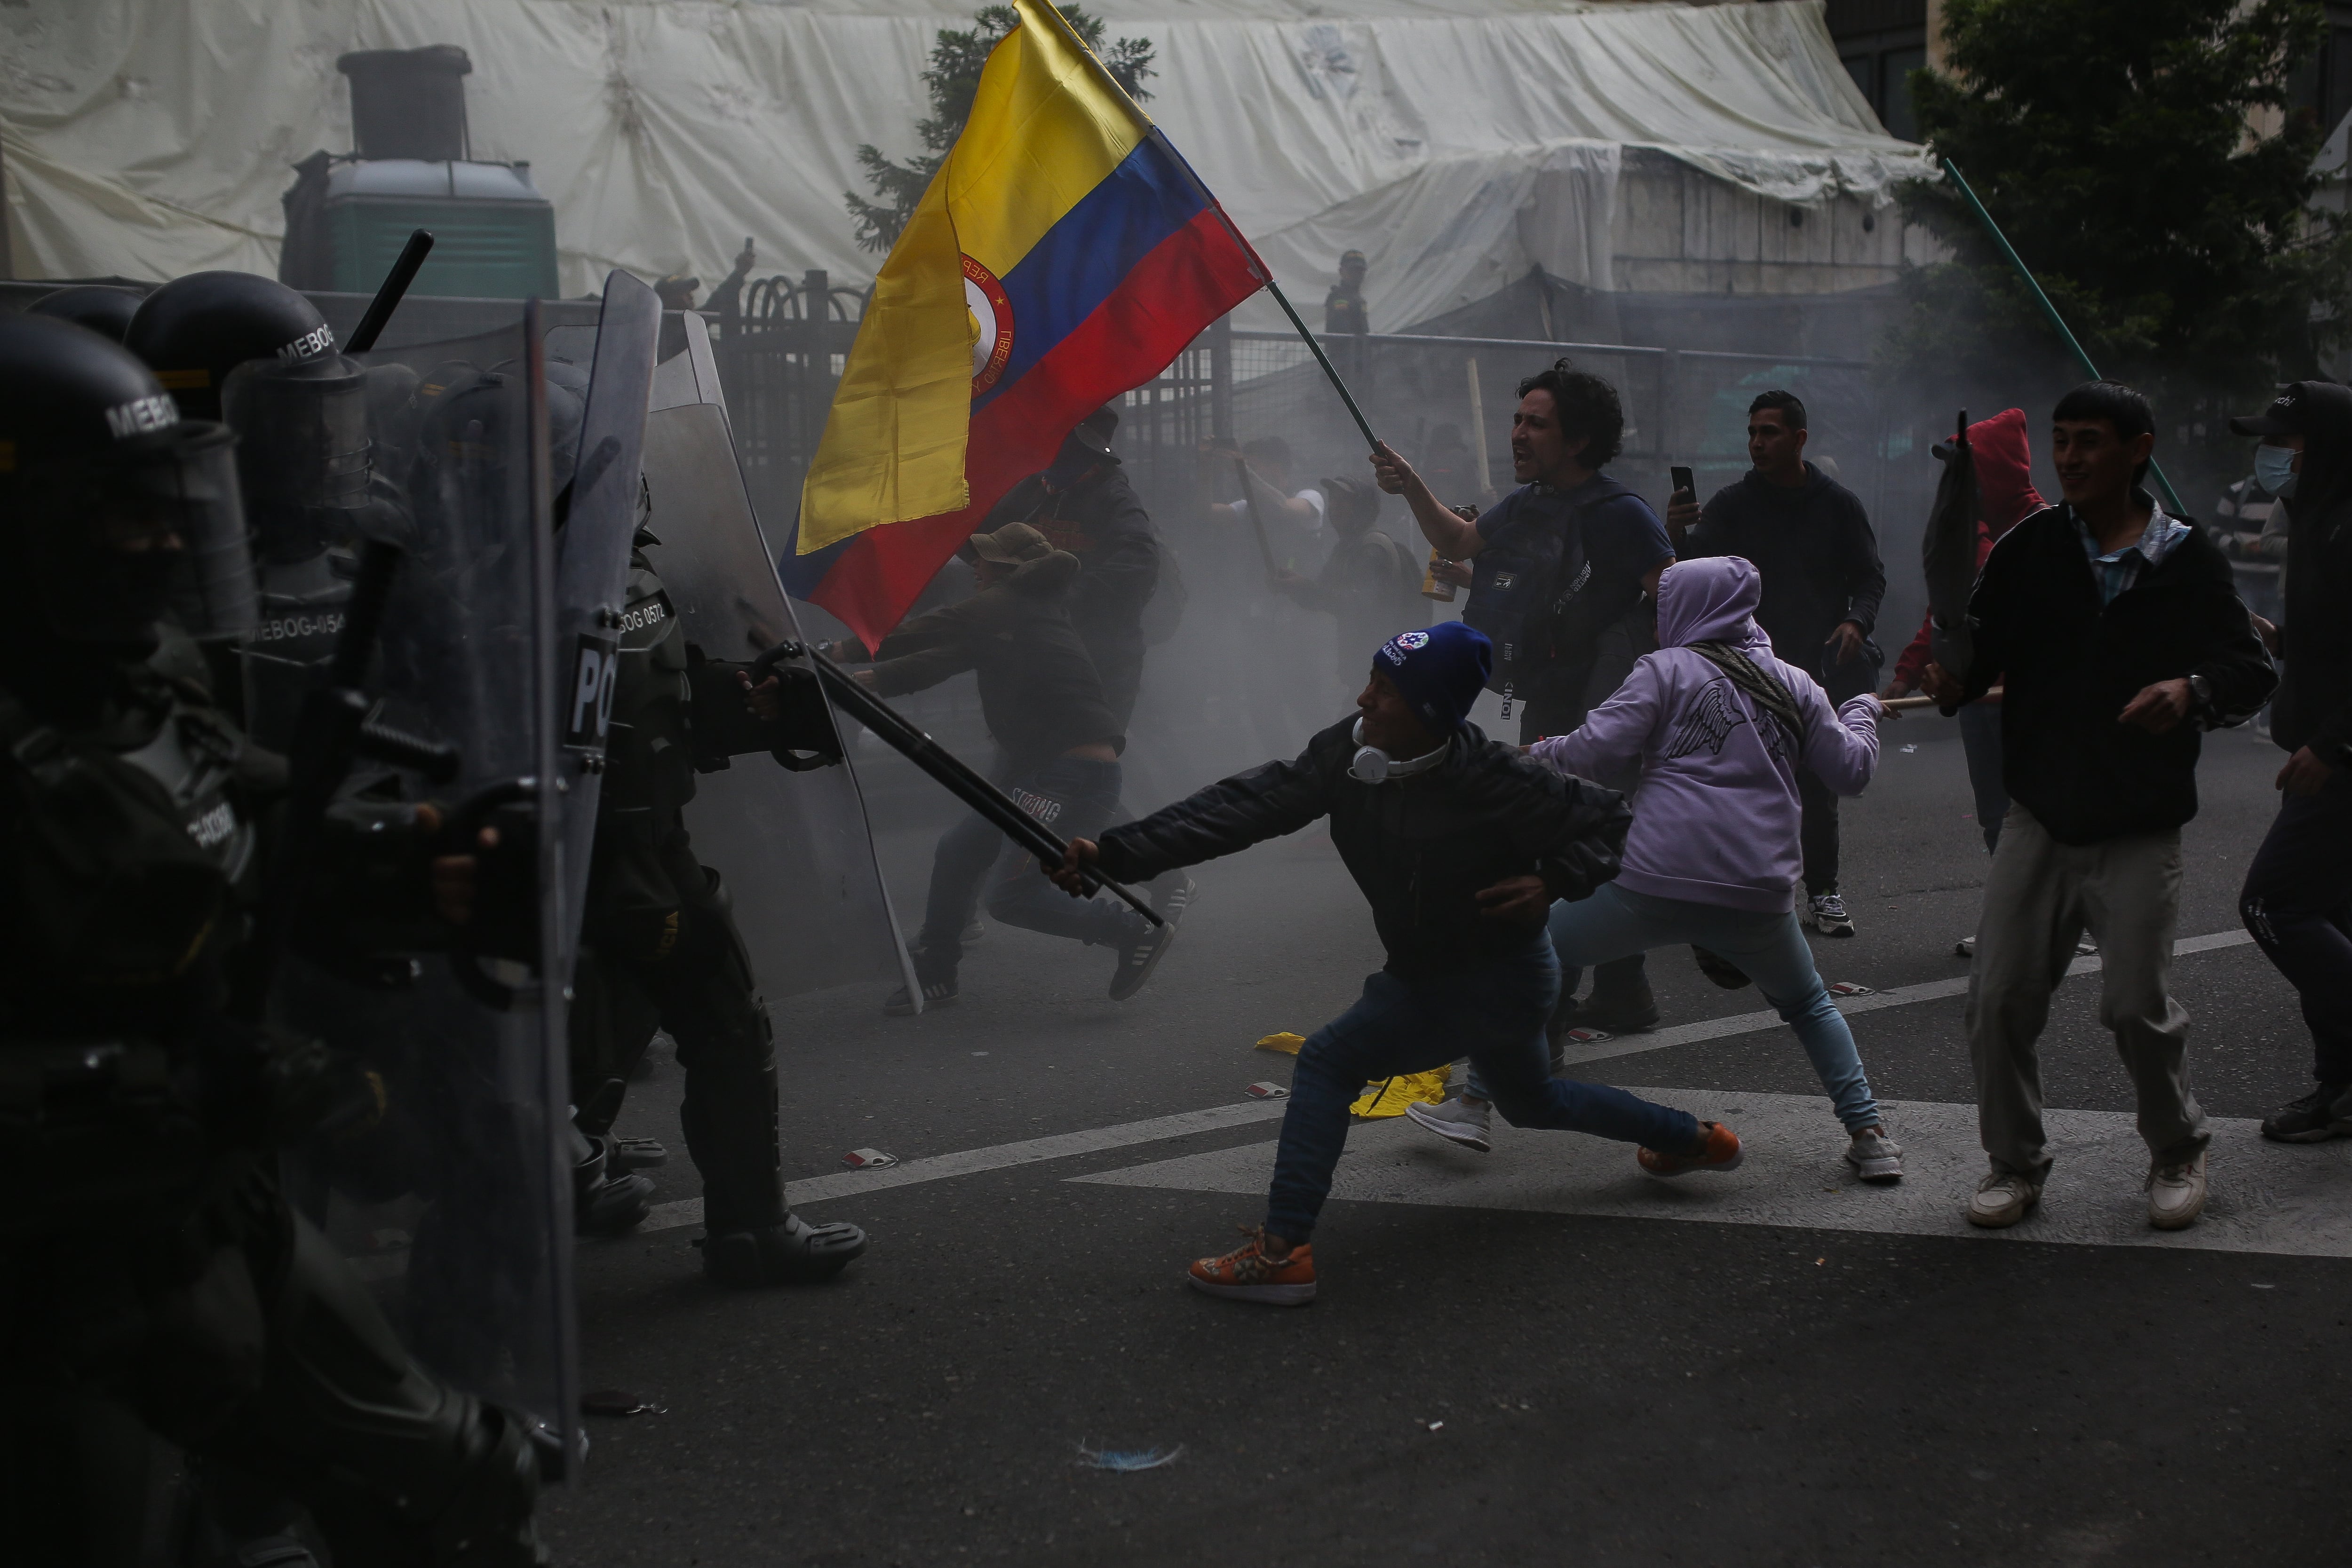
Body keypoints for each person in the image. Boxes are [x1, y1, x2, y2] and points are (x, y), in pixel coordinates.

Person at [0, 313, 547, 1565]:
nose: (166, 539)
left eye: (169, 503)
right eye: (120, 513)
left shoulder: (154, 677)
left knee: (458, 1484)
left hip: (215, 1211)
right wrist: (152, 1091)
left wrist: (419, 861)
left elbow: (259, 825)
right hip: (46, 1284)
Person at [1046, 622, 1741, 1306]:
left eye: (1387, 690)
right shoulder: (1349, 754)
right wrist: (1117, 854)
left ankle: (1282, 1255)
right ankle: (1695, 1139)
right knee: (1535, 1102)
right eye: (1371, 680)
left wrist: (1551, 879)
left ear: (1432, 710)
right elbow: (1247, 805)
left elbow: (1618, 825)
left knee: (1328, 1061)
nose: (1365, 698)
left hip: (1486, 977)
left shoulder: (1499, 778)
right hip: (1469, 973)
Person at [1406, 558, 1901, 1180]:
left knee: (1525, 951)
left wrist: (1534, 754)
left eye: (1665, 608)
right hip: (1758, 889)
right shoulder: (1797, 684)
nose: (1659, 621)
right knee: (1808, 1005)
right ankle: (1870, 1135)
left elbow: (1595, 751)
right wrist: (1863, 710)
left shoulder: (1665, 669)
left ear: (1691, 609)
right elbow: (1852, 770)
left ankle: (1475, 1102)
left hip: (1652, 879)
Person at [1919, 380, 2276, 1231]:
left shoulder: (2184, 557)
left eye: (2089, 441)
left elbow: (2250, 667)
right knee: (1997, 998)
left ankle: (2178, 1146)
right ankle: (2015, 1161)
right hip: (2039, 811)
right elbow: (1980, 651)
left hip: (2139, 818)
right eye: (2062, 440)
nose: (2071, 458)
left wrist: (2191, 689)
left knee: (2134, 1007)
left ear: (2137, 449)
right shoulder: (2030, 547)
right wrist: (1951, 678)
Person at [566, 475, 872, 1285]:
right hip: (598, 849)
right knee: (719, 1013)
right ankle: (750, 1231)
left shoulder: (603, 562)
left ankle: (571, 1157)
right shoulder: (540, 576)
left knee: (626, 1002)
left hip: (634, 844)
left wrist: (748, 699)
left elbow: (644, 702)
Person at [1373, 359, 1676, 1033]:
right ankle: (1622, 991)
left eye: (1535, 424)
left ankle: (1546, 1010)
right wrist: (1411, 485)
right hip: (1534, 697)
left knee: (1566, 846)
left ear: (1579, 440)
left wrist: (1646, 688)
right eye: (1516, 420)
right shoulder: (1530, 502)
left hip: (1598, 714)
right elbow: (1456, 539)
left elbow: (1675, 598)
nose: (1517, 433)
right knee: (1558, 840)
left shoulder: (1621, 513)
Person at [826, 522, 1180, 1012]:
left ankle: (1132, 929)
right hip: (1043, 772)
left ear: (1012, 568)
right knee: (957, 851)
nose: (975, 566)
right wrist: (858, 680)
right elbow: (935, 660)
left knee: (1012, 896)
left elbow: (934, 627)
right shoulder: (1013, 618)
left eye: (986, 558)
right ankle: (937, 970)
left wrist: (836, 651)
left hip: (1069, 774)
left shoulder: (1014, 602)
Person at [1669, 390, 1885, 938]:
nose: (1756, 443)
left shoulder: (1837, 505)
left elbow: (1869, 577)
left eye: (1768, 432)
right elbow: (1691, 572)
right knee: (1740, 782)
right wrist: (1674, 531)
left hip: (1813, 668)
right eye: (1751, 433)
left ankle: (1822, 892)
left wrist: (1856, 622)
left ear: (1798, 439)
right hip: (1745, 670)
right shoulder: (1731, 504)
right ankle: (1734, 894)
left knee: (1815, 785)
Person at [1882, 408, 2080, 958]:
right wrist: (1907, 672)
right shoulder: (1975, 532)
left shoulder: (2049, 534)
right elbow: (1945, 613)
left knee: (2032, 817)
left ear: (1989, 473)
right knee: (1999, 818)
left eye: (1961, 476)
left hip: (2027, 706)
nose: (1951, 489)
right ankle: (2023, 922)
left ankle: (2043, 922)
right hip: (1978, 699)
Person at [2226, 383, 2352, 1143]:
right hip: (2320, 751)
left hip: (2338, 763)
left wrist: (2334, 745)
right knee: (2329, 912)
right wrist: (2280, 640)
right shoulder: (2318, 518)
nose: (2275, 457)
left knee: (2275, 904)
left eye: (2286, 442)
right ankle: (2341, 1085)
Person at [985, 405, 1162, 730]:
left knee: (1091, 745)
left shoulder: (1114, 497)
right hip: (1033, 650)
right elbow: (983, 540)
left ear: (1090, 456)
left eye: (1065, 444)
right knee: (1024, 746)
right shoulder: (1031, 490)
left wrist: (1065, 598)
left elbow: (1140, 560)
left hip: (1099, 657)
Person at [1272, 475, 1426, 700]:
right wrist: (1294, 586)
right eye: (1334, 500)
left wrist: (1304, 587)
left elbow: (1357, 604)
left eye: (1345, 501)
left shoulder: (1373, 550)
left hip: (1386, 674)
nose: (1336, 508)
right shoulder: (1346, 548)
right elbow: (1322, 596)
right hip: (1366, 674)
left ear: (1364, 508)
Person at [1325, 249, 1370, 336]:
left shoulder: (1360, 300)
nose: (1356, 275)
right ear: (1341, 272)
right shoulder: (1337, 298)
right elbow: (1341, 332)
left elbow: (1364, 332)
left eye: (1360, 272)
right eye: (1352, 271)